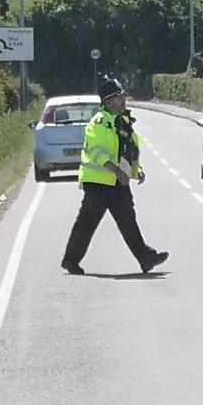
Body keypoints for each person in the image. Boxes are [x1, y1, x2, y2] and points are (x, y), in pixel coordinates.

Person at [60, 78, 169, 275]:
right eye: (120, 97)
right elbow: (98, 153)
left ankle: (146, 259)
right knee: (86, 224)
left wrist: (137, 171)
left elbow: (128, 151)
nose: (124, 100)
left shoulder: (123, 121)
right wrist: (117, 172)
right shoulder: (99, 123)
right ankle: (70, 261)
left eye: (123, 97)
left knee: (128, 221)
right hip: (98, 183)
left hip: (118, 183)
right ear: (109, 102)